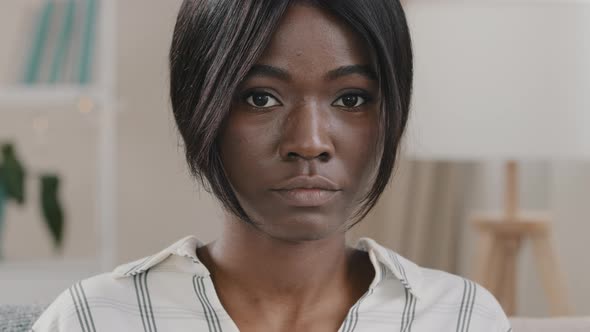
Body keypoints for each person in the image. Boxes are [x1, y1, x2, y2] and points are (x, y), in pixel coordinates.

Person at [32, 1, 512, 331]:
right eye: (261, 98)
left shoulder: (460, 316)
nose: (308, 142)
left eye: (351, 99)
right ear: (200, 108)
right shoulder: (94, 318)